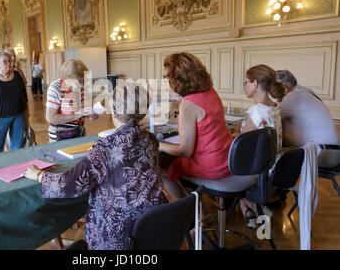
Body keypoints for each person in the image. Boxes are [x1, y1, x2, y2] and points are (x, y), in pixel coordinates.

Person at [21, 83, 167, 250]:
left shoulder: (107, 147)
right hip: (155, 224)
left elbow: (67, 185)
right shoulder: (150, 140)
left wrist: (39, 175)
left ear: (114, 111)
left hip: (120, 234)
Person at [158, 53, 235, 202]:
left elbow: (185, 151)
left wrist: (158, 144)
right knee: (173, 164)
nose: (166, 81)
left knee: (162, 170)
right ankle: (202, 213)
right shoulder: (211, 91)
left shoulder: (188, 104)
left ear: (177, 78)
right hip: (228, 160)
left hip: (211, 166)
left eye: (168, 77)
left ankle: (189, 216)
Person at [236, 64, 285, 228]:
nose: (244, 87)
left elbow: (240, 147)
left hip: (258, 170)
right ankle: (252, 207)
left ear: (255, 84)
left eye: (245, 83)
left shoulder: (256, 111)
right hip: (273, 165)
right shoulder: (274, 107)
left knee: (220, 169)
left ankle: (250, 207)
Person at [276, 70, 339, 168]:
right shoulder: (307, 92)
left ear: (283, 86)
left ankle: (272, 183)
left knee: (270, 155)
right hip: (333, 151)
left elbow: (269, 117)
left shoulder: (292, 97)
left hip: (324, 155)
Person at [0, 51, 28, 154]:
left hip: (19, 115)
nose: (8, 63)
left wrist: (27, 111)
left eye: (9, 61)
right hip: (0, 118)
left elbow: (24, 95)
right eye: (5, 62)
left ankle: (14, 167)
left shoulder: (17, 76)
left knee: (17, 145)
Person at [46, 59, 98, 143]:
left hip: (79, 132)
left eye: (83, 80)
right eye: (78, 81)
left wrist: (91, 114)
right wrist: (78, 114)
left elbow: (83, 110)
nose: (82, 84)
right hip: (60, 135)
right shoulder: (55, 88)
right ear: (67, 78)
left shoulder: (82, 87)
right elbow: (51, 118)